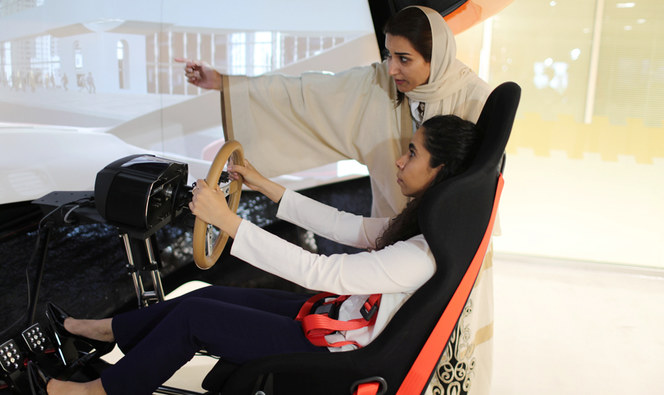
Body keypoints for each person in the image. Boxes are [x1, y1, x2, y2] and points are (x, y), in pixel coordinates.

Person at [42, 114, 482, 395]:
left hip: (332, 348)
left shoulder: (420, 255)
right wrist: (263, 183)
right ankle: (104, 331)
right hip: (336, 318)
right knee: (200, 298)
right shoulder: (426, 230)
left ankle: (97, 393)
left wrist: (228, 221)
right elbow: (344, 226)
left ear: (441, 172)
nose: (401, 162)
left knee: (194, 320)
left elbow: (320, 270)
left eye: (412, 153)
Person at [178, 6, 495, 393]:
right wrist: (228, 83)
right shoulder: (381, 83)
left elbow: (319, 272)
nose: (392, 69)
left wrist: (230, 224)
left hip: (434, 253)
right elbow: (308, 93)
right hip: (389, 233)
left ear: (437, 56)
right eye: (388, 55)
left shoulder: (476, 100)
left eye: (404, 59)